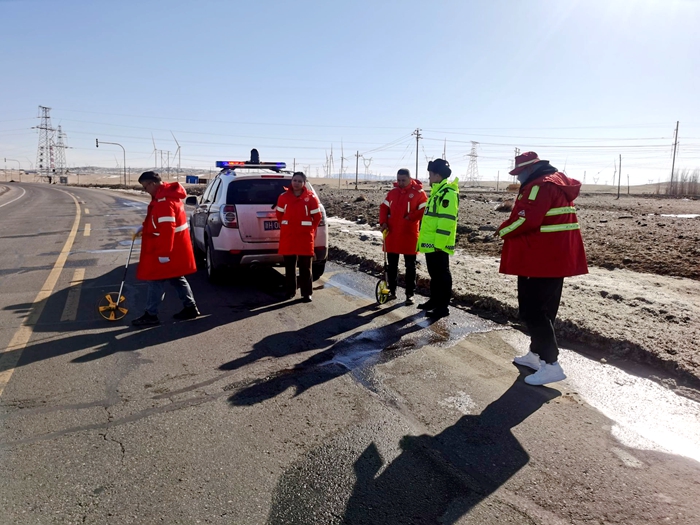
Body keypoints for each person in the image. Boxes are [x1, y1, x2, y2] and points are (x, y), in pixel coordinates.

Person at [498, 151, 588, 386]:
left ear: (530, 168)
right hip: (554, 258)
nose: (518, 177)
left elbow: (526, 219)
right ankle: (536, 354)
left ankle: (551, 364)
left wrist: (501, 230)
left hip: (538, 258)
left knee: (533, 311)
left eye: (520, 172)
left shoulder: (539, 186)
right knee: (545, 310)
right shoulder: (556, 182)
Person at [131, 171, 199, 327]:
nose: (145, 191)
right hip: (175, 247)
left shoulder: (164, 202)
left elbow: (167, 229)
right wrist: (145, 227)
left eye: (145, 187)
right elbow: (158, 222)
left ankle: (151, 315)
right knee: (176, 278)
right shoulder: (168, 196)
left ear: (153, 184)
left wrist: (164, 253)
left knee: (155, 280)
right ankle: (190, 308)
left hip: (168, 249)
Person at [416, 158, 460, 319]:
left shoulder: (448, 194)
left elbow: (446, 221)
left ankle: (442, 307)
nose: (428, 177)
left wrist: (439, 244)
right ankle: (434, 300)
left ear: (437, 175)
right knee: (434, 274)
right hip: (431, 243)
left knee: (442, 275)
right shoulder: (437, 192)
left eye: (430, 174)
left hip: (438, 244)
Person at [379, 168, 428, 305]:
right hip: (392, 233)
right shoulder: (393, 193)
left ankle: (409, 294)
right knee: (392, 266)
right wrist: (383, 222)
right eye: (398, 180)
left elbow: (424, 209)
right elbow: (384, 208)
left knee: (410, 266)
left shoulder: (419, 193)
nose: (400, 183)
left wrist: (411, 217)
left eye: (403, 180)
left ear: (410, 179)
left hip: (409, 234)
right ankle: (392, 291)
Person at [275, 172, 322, 302]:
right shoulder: (283, 197)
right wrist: (286, 226)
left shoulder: (311, 198)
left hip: (304, 237)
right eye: (294, 180)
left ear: (304, 183)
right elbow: (279, 215)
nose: (296, 183)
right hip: (289, 236)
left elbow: (317, 217)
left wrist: (310, 229)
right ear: (291, 181)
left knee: (305, 267)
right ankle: (290, 291)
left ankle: (306, 293)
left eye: (299, 181)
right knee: (289, 266)